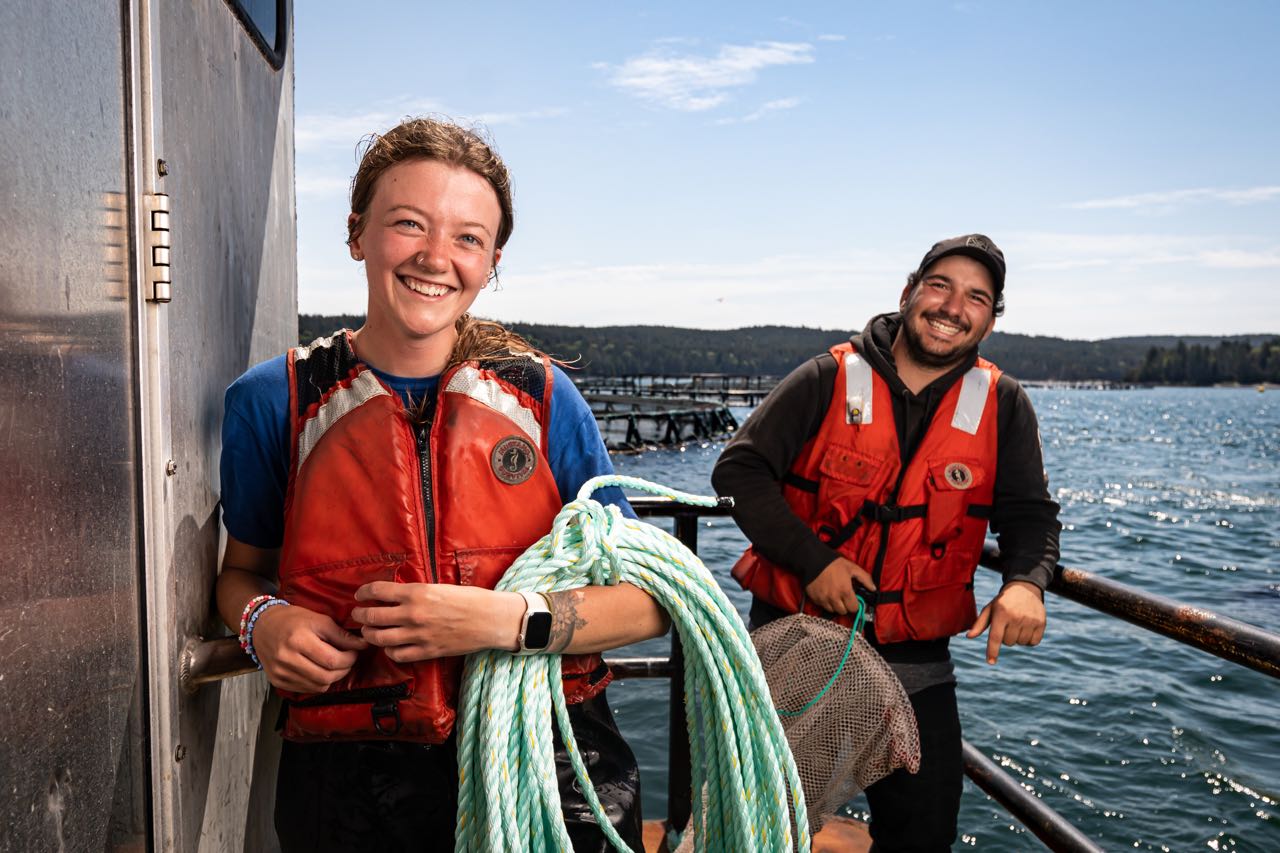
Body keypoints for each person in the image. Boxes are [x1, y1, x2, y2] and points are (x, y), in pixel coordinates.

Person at [214, 117, 662, 852]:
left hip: (550, 766)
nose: (435, 257)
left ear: (491, 262)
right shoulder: (274, 400)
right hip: (350, 789)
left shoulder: (546, 401)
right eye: (408, 224)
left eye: (467, 238)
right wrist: (263, 621)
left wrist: (497, 620)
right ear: (357, 233)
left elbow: (648, 603)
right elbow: (241, 573)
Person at [712, 234, 1061, 850]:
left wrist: (1026, 583)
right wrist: (813, 561)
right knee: (765, 828)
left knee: (923, 834)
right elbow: (737, 472)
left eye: (977, 297)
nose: (954, 306)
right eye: (940, 285)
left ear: (991, 318)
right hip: (800, 648)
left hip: (917, 664)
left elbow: (1030, 515)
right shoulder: (826, 377)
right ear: (908, 292)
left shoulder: (1002, 403)